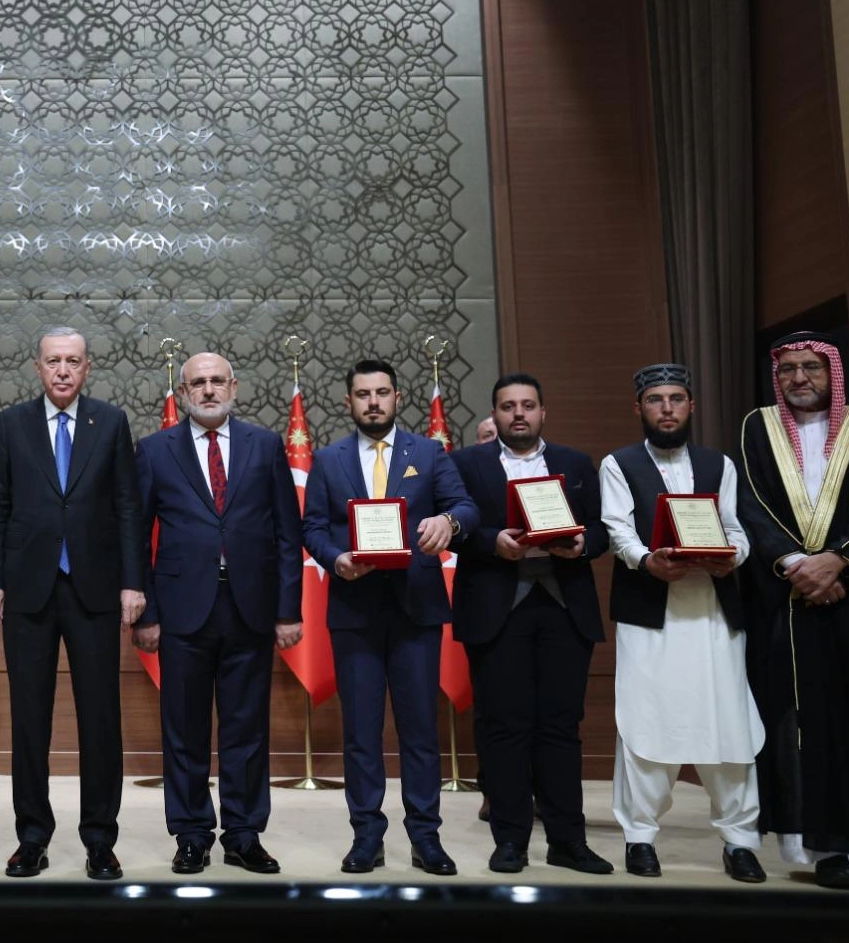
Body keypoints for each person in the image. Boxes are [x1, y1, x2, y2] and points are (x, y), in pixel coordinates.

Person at [0, 327, 146, 880]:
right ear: (38, 366)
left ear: (87, 367)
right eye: (53, 361)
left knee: (100, 720)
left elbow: (128, 507)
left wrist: (132, 582)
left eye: (72, 362)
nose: (62, 371)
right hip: (28, 590)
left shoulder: (112, 421)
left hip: (96, 589)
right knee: (30, 720)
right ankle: (32, 837)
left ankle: (100, 838)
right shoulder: (12, 424)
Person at [302, 358, 478, 876]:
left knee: (419, 730)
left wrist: (447, 522)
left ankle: (426, 837)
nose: (373, 402)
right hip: (354, 610)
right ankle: (366, 837)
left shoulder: (429, 452)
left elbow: (465, 507)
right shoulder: (328, 459)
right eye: (363, 394)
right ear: (348, 402)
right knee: (360, 731)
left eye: (382, 393)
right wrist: (336, 558)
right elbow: (313, 526)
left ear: (397, 398)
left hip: (416, 609)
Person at [133, 352, 302, 875]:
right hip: (183, 611)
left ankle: (244, 833)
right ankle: (190, 834)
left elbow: (287, 535)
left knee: (246, 729)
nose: (208, 391)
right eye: (197, 384)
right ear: (181, 393)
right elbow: (136, 539)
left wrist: (287, 610)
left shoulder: (267, 445)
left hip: (250, 608)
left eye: (216, 382)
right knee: (183, 729)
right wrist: (147, 614)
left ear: (235, 386)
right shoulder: (155, 450)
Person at [599, 363, 765, 882]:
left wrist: (730, 559)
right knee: (647, 723)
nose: (666, 408)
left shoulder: (720, 464)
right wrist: (648, 560)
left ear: (691, 406)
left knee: (728, 723)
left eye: (675, 399)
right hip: (651, 617)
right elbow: (617, 529)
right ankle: (640, 836)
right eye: (655, 400)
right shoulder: (618, 463)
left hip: (713, 615)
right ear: (639, 409)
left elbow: (738, 530)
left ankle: (739, 840)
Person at [451, 373, 612, 875]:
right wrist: (491, 540)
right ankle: (511, 841)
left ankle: (568, 841)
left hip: (564, 608)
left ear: (544, 412)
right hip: (498, 608)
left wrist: (585, 544)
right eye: (507, 406)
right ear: (494, 415)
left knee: (561, 728)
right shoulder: (465, 463)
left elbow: (603, 527)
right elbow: (455, 527)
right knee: (504, 729)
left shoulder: (573, 463)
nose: (517, 414)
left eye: (527, 405)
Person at [738, 331, 849, 889]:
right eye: (788, 371)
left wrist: (838, 560)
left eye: (811, 368)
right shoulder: (758, 427)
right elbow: (749, 504)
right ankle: (821, 845)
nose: (799, 378)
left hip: (846, 588)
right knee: (800, 721)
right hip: (785, 599)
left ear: (833, 371)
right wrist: (793, 564)